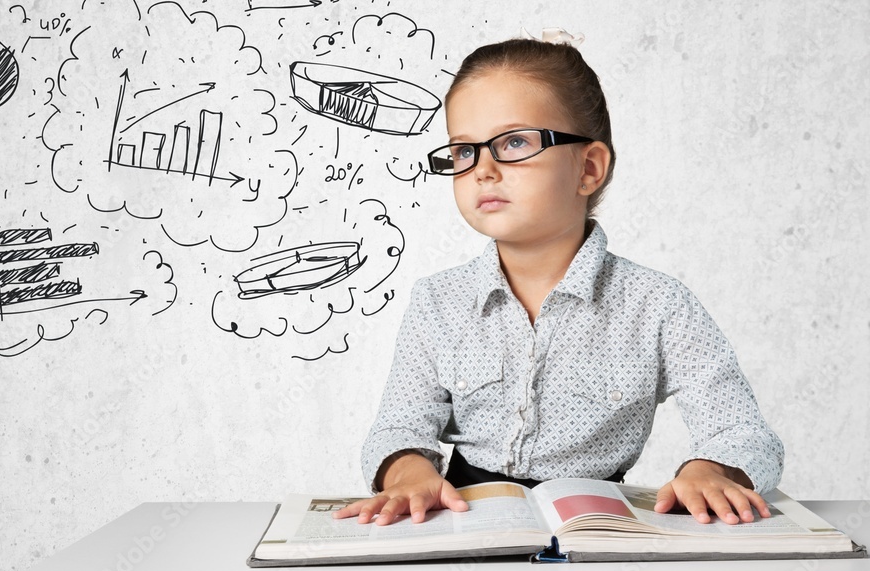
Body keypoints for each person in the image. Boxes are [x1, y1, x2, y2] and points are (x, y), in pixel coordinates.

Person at [334, 34, 784, 528]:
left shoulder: (658, 305)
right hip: (461, 521)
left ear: (588, 168)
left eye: (515, 143)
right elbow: (398, 425)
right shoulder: (438, 301)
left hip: (594, 527)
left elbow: (744, 433)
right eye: (463, 151)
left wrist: (711, 469)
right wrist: (406, 472)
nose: (483, 169)